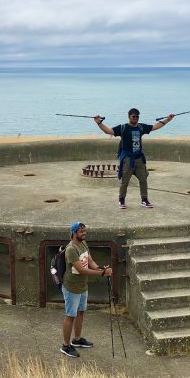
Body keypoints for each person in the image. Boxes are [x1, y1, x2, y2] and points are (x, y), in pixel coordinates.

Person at [93, 108, 175, 209]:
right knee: (125, 181)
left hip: (139, 158)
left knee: (143, 179)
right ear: (129, 117)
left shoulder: (141, 127)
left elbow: (155, 127)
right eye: (133, 116)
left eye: (137, 116)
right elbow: (108, 131)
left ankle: (144, 200)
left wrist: (168, 119)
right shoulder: (123, 128)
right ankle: (121, 200)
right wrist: (99, 123)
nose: (135, 118)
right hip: (128, 159)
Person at [61, 221, 113, 358]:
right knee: (70, 316)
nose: (84, 234)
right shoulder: (71, 249)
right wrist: (102, 274)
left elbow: (90, 262)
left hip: (83, 286)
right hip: (71, 287)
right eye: (81, 232)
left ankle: (77, 340)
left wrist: (101, 268)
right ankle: (65, 346)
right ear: (74, 233)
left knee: (80, 313)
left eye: (85, 231)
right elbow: (81, 270)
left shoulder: (83, 244)